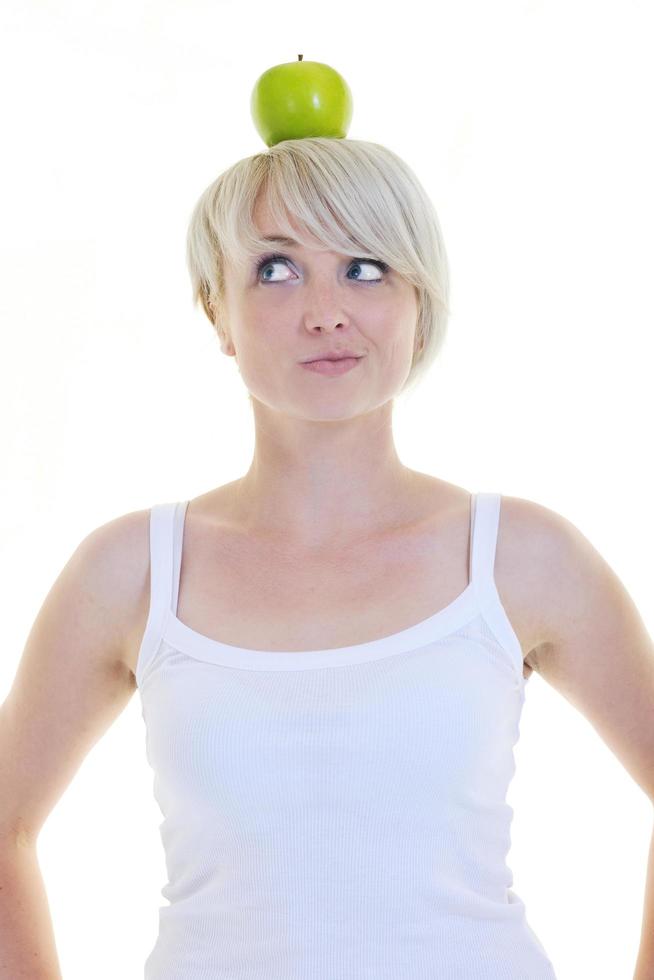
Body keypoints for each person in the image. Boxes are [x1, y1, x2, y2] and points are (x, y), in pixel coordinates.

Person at [1, 137, 653, 980]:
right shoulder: (132, 571)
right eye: (275, 269)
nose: (324, 310)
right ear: (216, 312)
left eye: (366, 266)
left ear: (420, 298)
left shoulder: (520, 557)